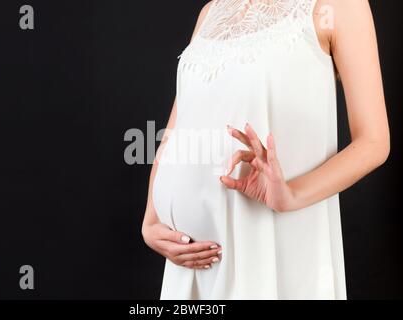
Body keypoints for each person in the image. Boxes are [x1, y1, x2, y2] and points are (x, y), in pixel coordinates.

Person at [142, 0, 390, 299]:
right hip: (189, 261)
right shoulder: (211, 12)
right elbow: (177, 129)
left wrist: (292, 194)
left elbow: (374, 142)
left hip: (269, 244)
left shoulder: (339, 6)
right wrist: (152, 218)